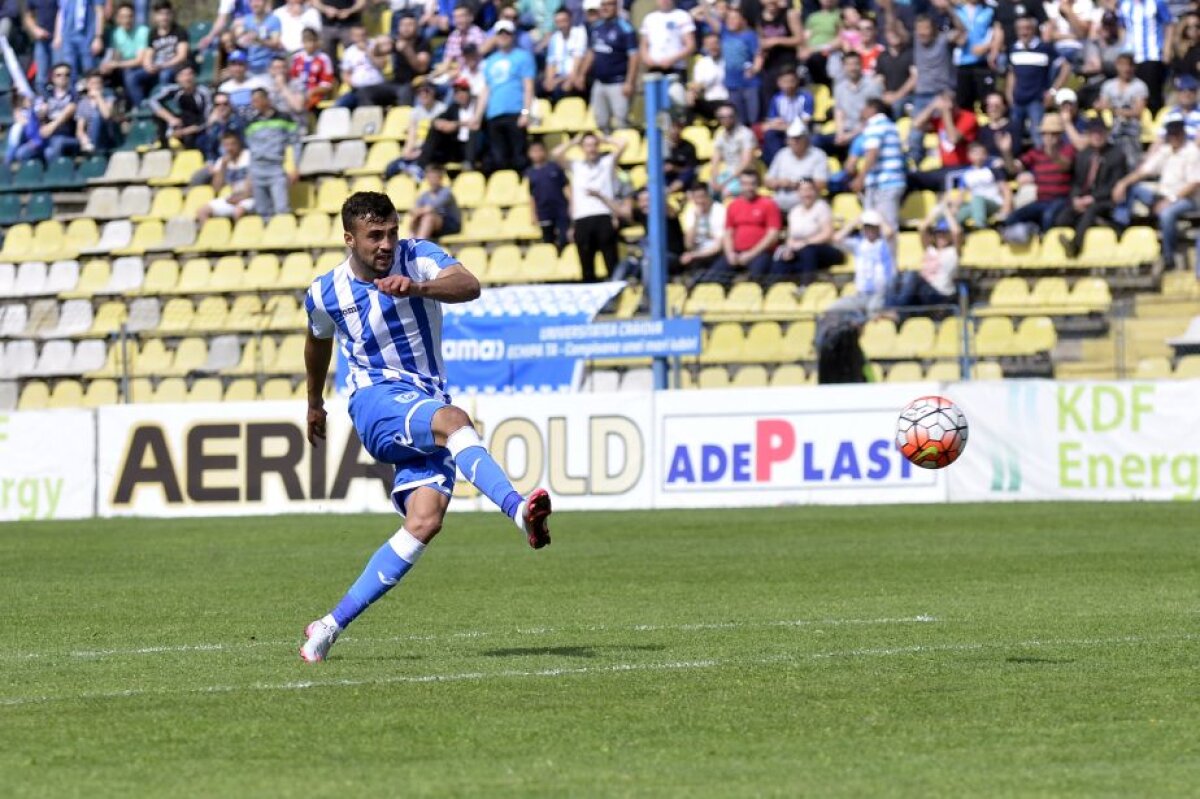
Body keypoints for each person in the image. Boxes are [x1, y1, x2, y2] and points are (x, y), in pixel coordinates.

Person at [298, 191, 554, 663]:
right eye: (375, 236)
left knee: (424, 521)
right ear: (349, 239)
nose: (386, 244)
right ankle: (520, 514)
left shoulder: (417, 258)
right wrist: (314, 402)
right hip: (374, 404)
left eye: (392, 232)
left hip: (425, 400)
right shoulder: (324, 292)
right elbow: (317, 342)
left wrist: (416, 288)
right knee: (455, 422)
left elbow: (468, 285)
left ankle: (328, 626)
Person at [1113, 119, 1200, 268]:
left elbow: (1194, 183)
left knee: (1167, 214)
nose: (1174, 138)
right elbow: (1144, 171)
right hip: (1163, 195)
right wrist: (1123, 183)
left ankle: (1168, 256)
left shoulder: (1192, 152)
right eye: (1171, 135)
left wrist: (1170, 200)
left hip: (1186, 199)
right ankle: (1120, 225)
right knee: (1134, 189)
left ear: (1183, 134)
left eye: (1177, 135)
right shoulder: (1166, 151)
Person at [554, 131, 628, 282]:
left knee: (611, 262)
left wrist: (605, 138)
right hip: (582, 219)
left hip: (603, 215)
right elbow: (556, 154)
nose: (591, 149)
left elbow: (623, 144)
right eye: (587, 145)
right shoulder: (576, 165)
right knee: (586, 266)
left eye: (594, 145)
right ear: (582, 148)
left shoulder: (606, 163)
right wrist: (574, 142)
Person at [1054, 117, 1126, 259]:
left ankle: (1075, 246)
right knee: (1062, 218)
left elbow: (1114, 184)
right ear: (1088, 135)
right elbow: (1076, 182)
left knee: (1091, 210)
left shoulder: (1117, 155)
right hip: (1084, 200)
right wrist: (1076, 199)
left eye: (1100, 132)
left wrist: (1092, 198)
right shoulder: (1083, 155)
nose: (1097, 136)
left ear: (1106, 134)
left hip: (1104, 200)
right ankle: (1100, 223)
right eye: (1094, 133)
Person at [998, 113, 1076, 241]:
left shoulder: (1067, 150)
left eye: (1053, 134)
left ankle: (1046, 244)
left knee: (1048, 216)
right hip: (1042, 200)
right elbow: (1013, 169)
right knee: (1013, 218)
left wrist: (1052, 152)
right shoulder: (1036, 153)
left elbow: (1065, 165)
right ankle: (1030, 232)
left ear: (1060, 135)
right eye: (1046, 134)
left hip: (1062, 199)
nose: (1049, 137)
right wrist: (1006, 152)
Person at [698, 170, 782, 286]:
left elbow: (772, 235)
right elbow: (728, 233)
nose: (749, 188)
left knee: (755, 279)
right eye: (745, 184)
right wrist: (730, 253)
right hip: (735, 253)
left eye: (752, 184)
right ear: (740, 185)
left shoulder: (769, 204)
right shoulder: (733, 205)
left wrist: (751, 254)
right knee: (713, 278)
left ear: (758, 185)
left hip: (760, 253)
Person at [476, 20, 536, 173]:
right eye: (500, 34)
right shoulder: (490, 61)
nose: (503, 37)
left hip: (515, 111)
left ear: (513, 36)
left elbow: (528, 86)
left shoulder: (523, 56)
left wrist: (525, 112)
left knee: (519, 157)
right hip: (494, 113)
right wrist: (478, 115)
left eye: (507, 33)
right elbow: (486, 89)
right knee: (499, 159)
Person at [907, 9, 966, 158]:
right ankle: (915, 166)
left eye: (925, 29)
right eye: (919, 29)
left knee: (946, 132)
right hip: (921, 95)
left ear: (933, 29)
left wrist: (950, 8)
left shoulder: (943, 39)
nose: (922, 33)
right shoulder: (915, 40)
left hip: (943, 93)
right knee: (914, 134)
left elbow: (962, 31)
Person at [1006, 14, 1069, 149]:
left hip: (1036, 101)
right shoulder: (1013, 48)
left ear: (1034, 29)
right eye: (1021, 29)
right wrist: (1009, 93)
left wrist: (1053, 92)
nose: (1024, 32)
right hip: (1017, 101)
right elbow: (1012, 73)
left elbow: (1066, 67)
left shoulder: (1045, 47)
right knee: (1014, 139)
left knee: (1039, 139)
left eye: (1027, 28)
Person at [886, 208, 959, 316]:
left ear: (949, 236)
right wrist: (934, 212)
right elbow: (922, 228)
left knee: (913, 275)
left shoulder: (953, 252)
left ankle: (895, 311)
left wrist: (947, 212)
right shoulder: (930, 249)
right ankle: (890, 311)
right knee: (895, 278)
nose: (941, 236)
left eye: (944, 234)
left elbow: (957, 232)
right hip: (923, 290)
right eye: (938, 233)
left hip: (940, 294)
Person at [581, 0, 638, 132]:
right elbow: (591, 53)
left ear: (616, 6)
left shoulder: (625, 28)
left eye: (609, 4)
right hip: (599, 82)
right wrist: (582, 74)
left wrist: (630, 82)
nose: (606, 8)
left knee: (621, 121)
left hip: (618, 82)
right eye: (603, 5)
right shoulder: (596, 27)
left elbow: (634, 57)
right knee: (600, 121)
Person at [244, 88, 301, 219]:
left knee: (282, 208)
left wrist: (295, 167)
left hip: (277, 168)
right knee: (262, 210)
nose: (254, 104)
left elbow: (295, 144)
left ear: (266, 100)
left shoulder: (285, 118)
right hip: (257, 170)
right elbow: (251, 150)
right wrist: (249, 174)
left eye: (257, 100)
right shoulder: (251, 123)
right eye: (252, 101)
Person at [852, 98, 905, 237]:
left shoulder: (875, 126)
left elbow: (872, 154)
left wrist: (860, 178)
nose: (862, 111)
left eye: (865, 107)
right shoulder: (891, 126)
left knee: (883, 227)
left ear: (873, 109)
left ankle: (886, 259)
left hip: (884, 183)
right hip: (892, 181)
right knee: (885, 226)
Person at [771, 178, 842, 282]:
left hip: (825, 249)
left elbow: (827, 234)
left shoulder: (821, 207)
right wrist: (789, 249)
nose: (806, 193)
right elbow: (790, 237)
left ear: (815, 191)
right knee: (781, 259)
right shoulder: (794, 212)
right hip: (801, 250)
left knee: (808, 251)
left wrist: (805, 243)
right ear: (798, 193)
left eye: (809, 189)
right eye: (803, 190)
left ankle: (806, 285)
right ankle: (778, 288)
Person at [829, 209, 895, 316]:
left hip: (881, 294)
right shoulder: (858, 244)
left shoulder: (885, 244)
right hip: (860, 295)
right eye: (867, 227)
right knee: (833, 310)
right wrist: (855, 222)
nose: (869, 230)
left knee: (873, 312)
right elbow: (836, 239)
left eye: (872, 227)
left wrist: (879, 218)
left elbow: (889, 233)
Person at [820, 50, 879, 162]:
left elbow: (874, 119)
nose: (853, 68)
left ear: (861, 65)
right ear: (844, 67)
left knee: (854, 144)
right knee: (816, 141)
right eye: (849, 64)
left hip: (864, 133)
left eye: (856, 64)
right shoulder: (839, 87)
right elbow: (839, 112)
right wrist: (840, 134)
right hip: (845, 131)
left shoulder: (872, 86)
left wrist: (850, 135)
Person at [1117, 0, 1175, 114]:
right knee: (1132, 92)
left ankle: (1154, 119)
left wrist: (1167, 49)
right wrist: (1122, 49)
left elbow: (1169, 24)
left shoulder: (1156, 2)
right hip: (1131, 56)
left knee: (1152, 93)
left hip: (1151, 55)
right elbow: (1122, 26)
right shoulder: (1124, 3)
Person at [1095, 53, 1150, 167]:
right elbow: (1100, 105)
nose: (1126, 68)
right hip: (1111, 129)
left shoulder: (1140, 86)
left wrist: (1113, 109)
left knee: (1131, 163)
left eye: (1129, 65)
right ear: (1117, 66)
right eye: (1123, 65)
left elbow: (1138, 111)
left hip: (1131, 130)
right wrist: (1120, 111)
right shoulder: (1108, 85)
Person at [765, 120, 829, 212]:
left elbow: (821, 183)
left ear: (806, 139)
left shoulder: (818, 155)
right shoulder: (782, 154)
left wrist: (797, 183)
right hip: (779, 203)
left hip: (806, 204)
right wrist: (778, 182)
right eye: (791, 138)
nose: (794, 141)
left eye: (798, 138)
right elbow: (767, 181)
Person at [147, 63, 214, 150]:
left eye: (190, 74)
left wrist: (185, 131)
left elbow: (206, 119)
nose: (187, 78)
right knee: (158, 116)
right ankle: (163, 144)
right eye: (183, 75)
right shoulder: (174, 90)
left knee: (200, 140)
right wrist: (170, 119)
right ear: (177, 79)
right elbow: (152, 101)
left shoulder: (204, 93)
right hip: (180, 126)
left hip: (198, 130)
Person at [639, 0, 696, 101]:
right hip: (654, 70)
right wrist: (646, 58)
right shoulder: (649, 18)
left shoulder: (682, 16)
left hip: (676, 69)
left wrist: (672, 59)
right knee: (655, 106)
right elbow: (643, 45)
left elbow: (690, 45)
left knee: (676, 105)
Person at [948, 140, 1011, 228]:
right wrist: (954, 208)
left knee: (977, 199)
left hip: (994, 203)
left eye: (982, 153)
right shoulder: (966, 174)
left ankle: (980, 226)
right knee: (953, 214)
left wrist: (1006, 207)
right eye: (976, 153)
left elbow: (1005, 189)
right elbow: (961, 195)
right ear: (969, 155)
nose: (979, 156)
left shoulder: (993, 170)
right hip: (976, 206)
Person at [335, 26, 400, 108]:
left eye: (363, 35)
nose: (361, 38)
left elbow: (382, 65)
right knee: (340, 105)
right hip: (357, 89)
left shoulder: (375, 45)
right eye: (358, 36)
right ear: (352, 37)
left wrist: (368, 51)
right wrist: (354, 84)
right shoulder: (349, 52)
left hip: (378, 86)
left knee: (365, 95)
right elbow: (345, 74)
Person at [196, 131, 254, 222]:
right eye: (226, 145)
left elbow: (254, 184)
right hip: (234, 197)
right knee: (202, 211)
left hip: (251, 197)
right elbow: (217, 188)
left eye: (233, 144)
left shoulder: (249, 157)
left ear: (239, 144)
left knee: (238, 211)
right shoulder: (222, 161)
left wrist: (242, 197)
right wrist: (223, 167)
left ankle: (238, 235)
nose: (230, 148)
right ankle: (208, 234)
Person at [761, 69, 814, 166]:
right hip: (783, 132)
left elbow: (804, 122)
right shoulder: (776, 99)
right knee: (770, 135)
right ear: (779, 83)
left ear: (797, 81)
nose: (788, 85)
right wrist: (778, 125)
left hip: (801, 132)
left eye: (791, 81)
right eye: (785, 82)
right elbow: (772, 121)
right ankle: (777, 165)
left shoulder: (806, 97)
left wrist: (782, 126)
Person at [526, 139, 570, 249]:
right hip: (543, 211)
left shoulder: (555, 167)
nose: (537, 154)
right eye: (534, 151)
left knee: (565, 237)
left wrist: (571, 205)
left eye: (539, 150)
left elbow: (566, 187)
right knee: (548, 241)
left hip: (560, 209)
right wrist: (533, 213)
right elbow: (531, 195)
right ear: (529, 154)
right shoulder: (530, 173)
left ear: (545, 151)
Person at [99, 3, 149, 102]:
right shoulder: (116, 33)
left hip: (141, 67)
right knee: (102, 74)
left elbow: (139, 60)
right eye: (123, 17)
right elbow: (116, 54)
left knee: (130, 75)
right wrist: (108, 65)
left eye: (129, 16)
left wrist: (117, 64)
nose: (127, 20)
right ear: (118, 19)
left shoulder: (143, 31)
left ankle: (140, 108)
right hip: (124, 66)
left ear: (134, 17)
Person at [709, 102, 757, 199]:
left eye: (730, 116)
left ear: (735, 116)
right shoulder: (720, 135)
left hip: (744, 175)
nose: (727, 119)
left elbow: (746, 164)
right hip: (728, 174)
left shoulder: (745, 134)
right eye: (722, 117)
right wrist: (714, 180)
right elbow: (715, 161)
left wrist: (724, 183)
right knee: (708, 190)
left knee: (726, 192)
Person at [679, 185, 726, 276]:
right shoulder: (691, 211)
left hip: (715, 255)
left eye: (702, 197)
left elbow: (718, 247)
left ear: (709, 196)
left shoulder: (720, 211)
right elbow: (688, 244)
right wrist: (696, 220)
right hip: (697, 254)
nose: (700, 201)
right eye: (697, 198)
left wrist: (694, 255)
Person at [36, 64, 80, 162]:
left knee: (54, 147)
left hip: (68, 136)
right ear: (53, 78)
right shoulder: (47, 94)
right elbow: (39, 115)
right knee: (23, 152)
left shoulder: (74, 95)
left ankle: (53, 173)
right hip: (47, 135)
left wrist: (51, 126)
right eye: (58, 75)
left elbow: (70, 109)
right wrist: (42, 114)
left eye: (67, 75)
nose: (63, 77)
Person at [542, 7, 588, 100]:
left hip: (572, 75)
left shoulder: (579, 33)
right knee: (541, 86)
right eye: (558, 22)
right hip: (559, 76)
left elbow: (578, 60)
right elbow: (551, 62)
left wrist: (566, 80)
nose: (561, 25)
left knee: (564, 89)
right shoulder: (555, 38)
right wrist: (549, 80)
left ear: (570, 19)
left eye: (564, 21)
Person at [409, 164, 462, 240]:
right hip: (431, 224)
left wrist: (418, 211)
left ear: (440, 178)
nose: (431, 180)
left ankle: (419, 245)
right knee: (416, 217)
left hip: (450, 224)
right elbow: (414, 210)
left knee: (428, 216)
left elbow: (431, 208)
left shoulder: (446, 192)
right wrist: (416, 213)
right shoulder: (425, 195)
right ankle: (410, 242)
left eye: (434, 177)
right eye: (429, 177)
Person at [55, 0, 105, 78]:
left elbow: (99, 11)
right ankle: (71, 90)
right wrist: (57, 35)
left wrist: (98, 37)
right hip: (68, 37)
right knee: (69, 70)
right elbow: (61, 12)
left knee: (89, 70)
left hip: (88, 37)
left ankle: (90, 89)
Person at [290, 27, 336, 110]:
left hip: (316, 95)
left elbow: (327, 84)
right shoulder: (296, 58)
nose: (310, 45)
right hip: (298, 93)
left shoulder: (323, 58)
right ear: (302, 42)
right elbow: (293, 78)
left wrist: (312, 91)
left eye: (313, 41)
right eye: (307, 41)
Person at [218, 50, 269, 124]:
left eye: (240, 64)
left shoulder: (258, 83)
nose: (237, 68)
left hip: (257, 121)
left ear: (246, 66)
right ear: (229, 67)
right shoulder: (224, 88)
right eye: (234, 65)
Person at [390, 15, 431, 106]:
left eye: (410, 25)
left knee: (404, 91)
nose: (406, 28)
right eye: (403, 25)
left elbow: (421, 68)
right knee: (366, 91)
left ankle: (404, 118)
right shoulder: (394, 41)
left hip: (416, 83)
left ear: (416, 27)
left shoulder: (423, 42)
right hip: (396, 82)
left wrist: (407, 50)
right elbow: (377, 52)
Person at [75, 70, 119, 153]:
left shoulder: (108, 97)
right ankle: (91, 147)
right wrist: (83, 138)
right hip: (91, 136)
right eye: (93, 83)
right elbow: (80, 129)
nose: (96, 86)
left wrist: (98, 97)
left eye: (99, 83)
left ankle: (93, 149)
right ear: (87, 85)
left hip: (108, 134)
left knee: (96, 116)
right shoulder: (83, 103)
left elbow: (107, 115)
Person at [687, 32, 728, 121]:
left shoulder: (728, 60)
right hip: (710, 101)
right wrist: (693, 91)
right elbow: (698, 85)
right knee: (690, 97)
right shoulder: (702, 63)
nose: (713, 47)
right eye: (710, 44)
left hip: (727, 100)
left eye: (715, 43)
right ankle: (687, 130)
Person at [235, 0, 284, 74]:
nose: (255, 4)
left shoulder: (274, 20)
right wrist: (240, 36)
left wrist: (258, 39)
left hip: (268, 68)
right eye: (252, 1)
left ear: (265, 2)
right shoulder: (246, 20)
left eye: (258, 1)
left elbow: (275, 43)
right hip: (248, 67)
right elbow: (239, 39)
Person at [24, 0, 60, 93]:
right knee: (41, 78)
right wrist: (35, 30)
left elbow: (62, 13)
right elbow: (28, 17)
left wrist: (58, 35)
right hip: (41, 40)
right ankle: (43, 101)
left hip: (58, 40)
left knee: (58, 74)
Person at [664, 116, 699, 192]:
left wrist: (674, 168)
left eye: (678, 128)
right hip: (665, 177)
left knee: (688, 173)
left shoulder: (689, 147)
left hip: (682, 178)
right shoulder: (660, 147)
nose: (675, 131)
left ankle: (668, 191)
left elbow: (691, 167)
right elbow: (648, 167)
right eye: (672, 128)